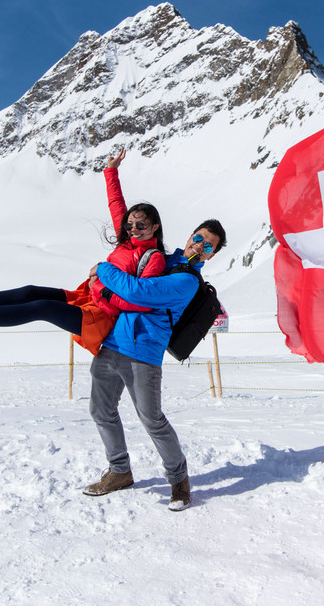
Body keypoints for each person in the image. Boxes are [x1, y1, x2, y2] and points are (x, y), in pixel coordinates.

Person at [0, 148, 166, 356]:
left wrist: (105, 289)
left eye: (141, 225)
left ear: (154, 227)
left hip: (102, 316)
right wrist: (111, 171)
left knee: (40, 308)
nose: (133, 228)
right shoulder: (125, 242)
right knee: (29, 291)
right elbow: (116, 204)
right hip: (85, 297)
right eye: (130, 224)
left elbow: (141, 301)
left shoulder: (153, 258)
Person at [83, 218, 227, 511]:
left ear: (211, 255)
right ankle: (119, 471)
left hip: (144, 353)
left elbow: (139, 293)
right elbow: (129, 225)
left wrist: (102, 268)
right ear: (190, 235)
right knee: (101, 410)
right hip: (112, 344)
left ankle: (179, 481)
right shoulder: (160, 257)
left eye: (208, 245)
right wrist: (111, 174)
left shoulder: (186, 281)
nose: (199, 245)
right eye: (198, 237)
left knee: (151, 418)